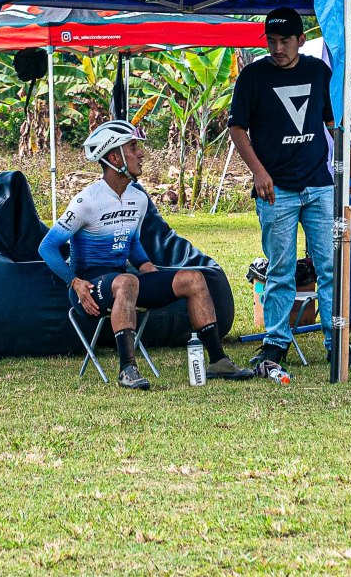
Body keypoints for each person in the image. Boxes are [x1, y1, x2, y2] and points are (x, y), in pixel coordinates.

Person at [39, 121, 251, 389]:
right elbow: (47, 246)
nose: (141, 154)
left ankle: (218, 361)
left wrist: (148, 267)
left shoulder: (138, 198)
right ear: (114, 158)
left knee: (194, 279)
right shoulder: (87, 201)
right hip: (89, 286)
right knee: (128, 282)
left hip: (124, 282)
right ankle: (127, 370)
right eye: (133, 147)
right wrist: (75, 282)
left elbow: (132, 242)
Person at [226, 7, 351, 381]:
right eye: (271, 41)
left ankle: (337, 341)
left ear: (301, 40)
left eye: (285, 41)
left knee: (330, 266)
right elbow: (237, 129)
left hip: (319, 184)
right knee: (280, 268)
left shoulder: (318, 71)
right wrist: (258, 172)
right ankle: (275, 343)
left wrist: (350, 162)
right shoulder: (252, 76)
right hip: (276, 190)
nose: (278, 48)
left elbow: (334, 122)